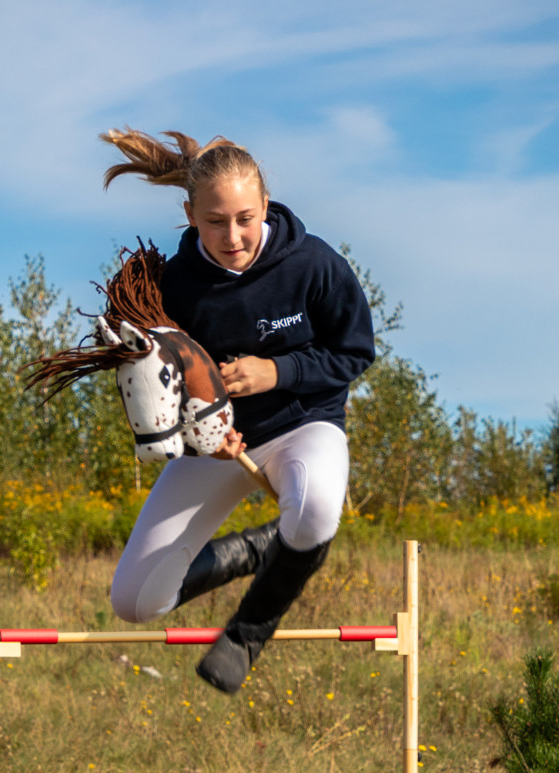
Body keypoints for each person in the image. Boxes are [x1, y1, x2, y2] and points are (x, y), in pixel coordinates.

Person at [102, 128, 376, 693]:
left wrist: (276, 372)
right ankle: (256, 548)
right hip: (218, 445)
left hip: (305, 426)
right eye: (215, 221)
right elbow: (163, 381)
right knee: (135, 602)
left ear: (266, 206)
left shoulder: (314, 263)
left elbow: (354, 352)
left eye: (246, 218)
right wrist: (200, 432)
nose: (233, 236)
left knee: (315, 513)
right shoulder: (174, 285)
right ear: (189, 214)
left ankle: (248, 634)